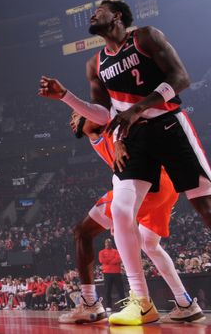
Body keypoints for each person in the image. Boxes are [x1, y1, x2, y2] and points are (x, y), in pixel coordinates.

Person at [39, 0, 211, 325]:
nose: (92, 14)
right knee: (121, 212)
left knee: (205, 207)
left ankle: (175, 302)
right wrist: (65, 96)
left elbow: (181, 78)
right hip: (135, 139)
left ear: (117, 16)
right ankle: (143, 302)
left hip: (170, 125)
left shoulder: (145, 37)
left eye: (99, 9)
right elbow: (103, 115)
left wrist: (136, 108)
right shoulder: (95, 64)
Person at [51, 111, 203, 324]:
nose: (73, 118)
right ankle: (185, 303)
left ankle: (91, 303)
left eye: (77, 114)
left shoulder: (107, 123)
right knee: (150, 245)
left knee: (82, 232)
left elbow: (100, 112)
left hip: (148, 183)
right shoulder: (98, 136)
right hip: (165, 186)